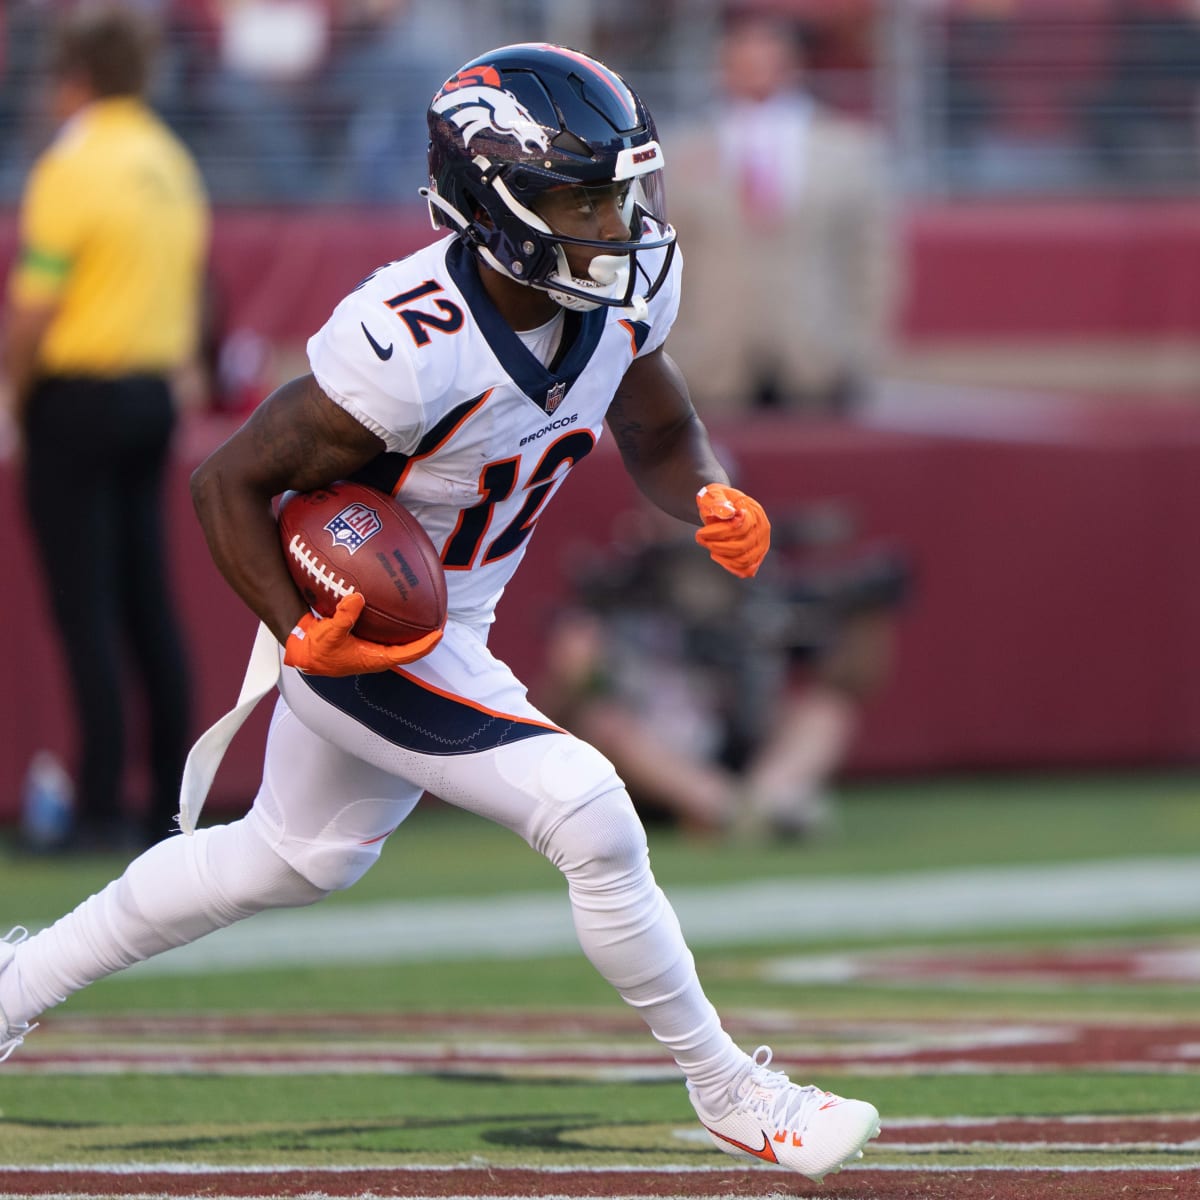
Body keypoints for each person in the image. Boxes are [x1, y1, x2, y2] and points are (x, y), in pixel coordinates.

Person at [0, 44, 880, 1182]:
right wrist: (296, 622)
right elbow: (226, 481)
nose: (616, 220)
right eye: (580, 195)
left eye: (622, 191)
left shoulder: (622, 286)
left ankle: (12, 987)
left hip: (454, 618)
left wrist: (708, 492)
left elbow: (657, 425)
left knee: (290, 856)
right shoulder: (408, 342)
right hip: (374, 627)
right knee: (591, 812)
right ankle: (730, 1090)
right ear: (496, 203)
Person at [1, 5, 210, 851]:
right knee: (147, 602)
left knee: (85, 607)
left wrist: (9, 395)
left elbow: (36, 309)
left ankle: (96, 806)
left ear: (75, 78)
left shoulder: (73, 167)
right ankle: (170, 799)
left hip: (76, 400)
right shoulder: (169, 159)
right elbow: (197, 290)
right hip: (151, 395)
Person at [538, 502, 909, 837]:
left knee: (826, 712)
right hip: (654, 765)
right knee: (604, 722)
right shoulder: (620, 590)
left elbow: (849, 682)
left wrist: (868, 616)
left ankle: (768, 801)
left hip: (743, 745)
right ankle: (727, 810)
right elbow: (554, 715)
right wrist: (573, 674)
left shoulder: (764, 585)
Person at [665, 11, 902, 417]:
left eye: (768, 59)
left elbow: (871, 257)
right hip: (711, 364)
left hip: (816, 359)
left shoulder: (848, 149)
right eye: (743, 60)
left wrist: (861, 348)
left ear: (794, 65)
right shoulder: (681, 153)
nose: (755, 71)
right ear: (722, 66)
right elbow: (665, 260)